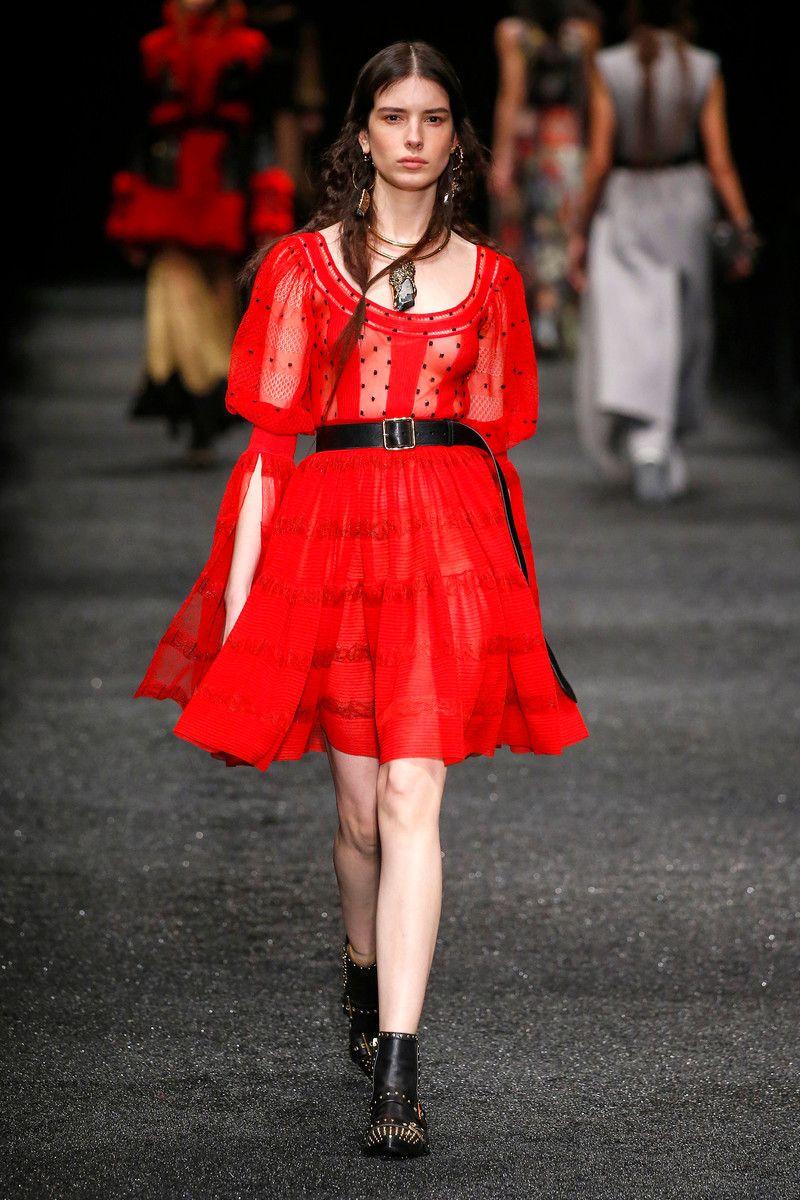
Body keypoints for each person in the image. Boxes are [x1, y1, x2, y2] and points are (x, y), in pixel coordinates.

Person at [135, 41, 588, 1156]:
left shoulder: (491, 280)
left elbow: (491, 443)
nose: (414, 137)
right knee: (356, 818)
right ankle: (361, 963)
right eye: (394, 117)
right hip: (329, 544)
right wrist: (242, 614)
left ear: (457, 136)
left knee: (409, 796)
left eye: (433, 118)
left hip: (444, 545)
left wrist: (513, 594)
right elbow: (266, 455)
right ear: (363, 132)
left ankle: (398, 1068)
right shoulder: (300, 269)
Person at [568, 0, 757, 503]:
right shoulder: (702, 66)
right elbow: (720, 160)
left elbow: (600, 159)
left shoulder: (610, 67)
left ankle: (645, 439)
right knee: (681, 321)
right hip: (685, 200)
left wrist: (579, 230)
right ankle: (661, 437)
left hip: (628, 199)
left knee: (631, 325)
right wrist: (741, 225)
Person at [106, 0, 296, 467]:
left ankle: (208, 408)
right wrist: (130, 205)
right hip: (168, 181)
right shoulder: (156, 49)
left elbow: (263, 127)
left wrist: (268, 200)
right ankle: (201, 401)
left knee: (217, 298)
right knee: (172, 284)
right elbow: (138, 127)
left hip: (225, 180)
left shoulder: (248, 49)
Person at [490, 0, 603, 355]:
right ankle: (556, 317)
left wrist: (502, 157)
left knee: (530, 226)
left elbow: (511, 96)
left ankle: (538, 316)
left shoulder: (514, 32)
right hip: (566, 138)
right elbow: (591, 97)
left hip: (532, 138)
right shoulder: (584, 33)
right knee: (560, 225)